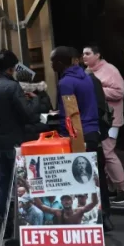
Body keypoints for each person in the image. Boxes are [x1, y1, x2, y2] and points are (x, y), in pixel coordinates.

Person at [51, 46, 114, 231]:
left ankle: (89, 221)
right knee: (96, 176)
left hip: (78, 135)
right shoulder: (87, 77)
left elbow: (70, 114)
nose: (52, 65)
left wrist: (67, 136)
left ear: (61, 62)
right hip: (93, 132)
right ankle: (105, 216)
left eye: (53, 62)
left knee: (78, 179)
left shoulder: (66, 83)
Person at [0, 50, 39, 232]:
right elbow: (27, 114)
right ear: (11, 68)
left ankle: (3, 221)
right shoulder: (13, 87)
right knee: (22, 181)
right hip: (15, 140)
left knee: (3, 182)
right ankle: (26, 221)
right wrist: (35, 101)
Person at [82, 45, 124, 204]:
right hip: (97, 120)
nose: (84, 56)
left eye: (88, 53)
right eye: (83, 53)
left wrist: (96, 91)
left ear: (97, 55)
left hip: (110, 120)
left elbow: (119, 91)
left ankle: (123, 190)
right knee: (103, 154)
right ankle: (111, 188)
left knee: (108, 153)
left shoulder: (110, 70)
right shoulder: (88, 71)